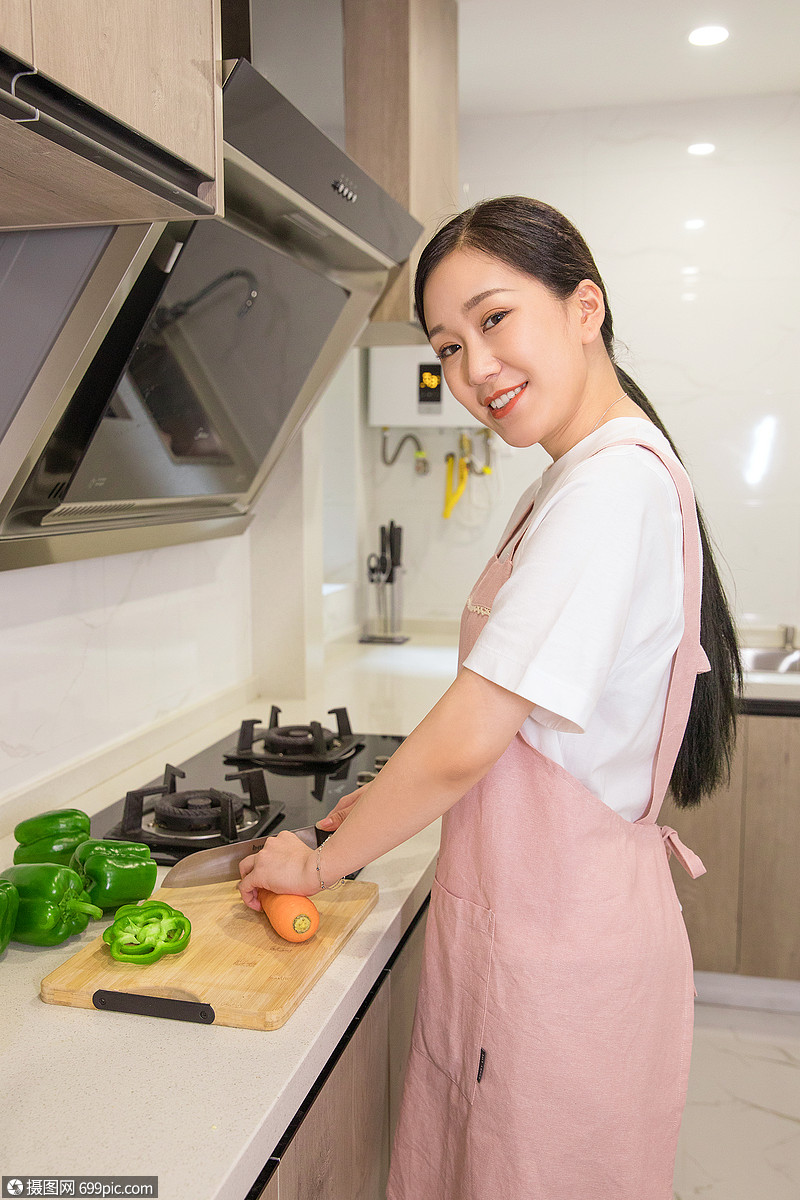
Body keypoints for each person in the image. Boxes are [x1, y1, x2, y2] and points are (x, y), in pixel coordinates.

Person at [238, 196, 741, 1199]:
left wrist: (322, 861)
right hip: (534, 931)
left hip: (559, 962)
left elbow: (474, 731)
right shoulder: (574, 476)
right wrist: (373, 812)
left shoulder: (607, 486)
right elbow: (514, 738)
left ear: (582, 307)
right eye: (446, 347)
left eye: (493, 319)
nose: (473, 371)